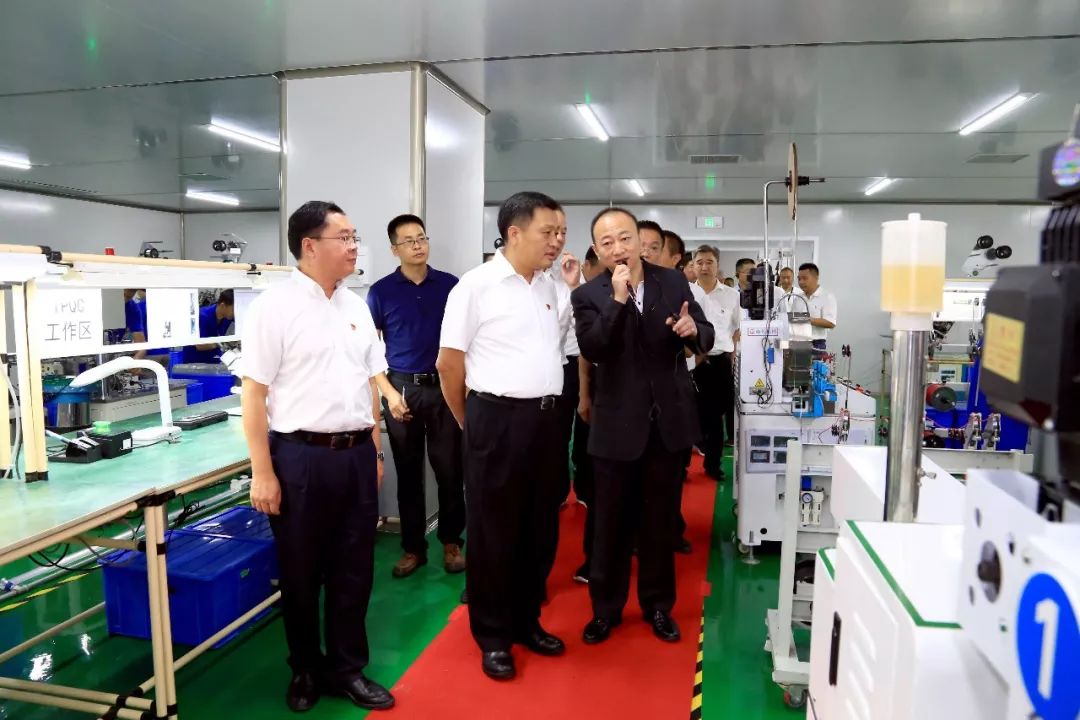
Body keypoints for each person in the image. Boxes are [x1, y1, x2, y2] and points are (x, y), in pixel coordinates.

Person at [241, 201, 397, 712]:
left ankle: (348, 669)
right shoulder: (274, 307)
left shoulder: (356, 306)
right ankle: (306, 669)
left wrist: (375, 448)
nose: (354, 247)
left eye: (354, 236)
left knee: (355, 568)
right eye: (344, 237)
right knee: (301, 572)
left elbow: (369, 383)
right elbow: (254, 395)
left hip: (355, 456)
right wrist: (262, 472)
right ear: (310, 246)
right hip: (299, 458)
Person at [437, 191, 575, 681]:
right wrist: (471, 421)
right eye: (548, 232)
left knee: (540, 527)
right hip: (495, 419)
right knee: (494, 531)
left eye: (561, 233)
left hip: (546, 421)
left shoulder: (550, 286)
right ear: (514, 233)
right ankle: (493, 635)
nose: (557, 242)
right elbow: (449, 365)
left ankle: (526, 620)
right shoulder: (475, 287)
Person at [572, 207, 714, 646]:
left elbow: (706, 333)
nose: (618, 248)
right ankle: (605, 610)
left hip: (667, 423)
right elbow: (594, 347)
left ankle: (657, 606)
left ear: (639, 241)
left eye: (625, 238)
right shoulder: (589, 294)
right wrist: (617, 300)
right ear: (597, 249)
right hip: (616, 426)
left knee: (659, 523)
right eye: (607, 242)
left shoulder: (672, 281)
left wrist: (692, 330)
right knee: (610, 525)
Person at [367, 214, 466, 580]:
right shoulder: (381, 292)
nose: (418, 245)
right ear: (395, 249)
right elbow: (369, 351)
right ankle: (413, 548)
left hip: (444, 389)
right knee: (408, 475)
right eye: (408, 240)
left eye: (421, 237)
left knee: (450, 470)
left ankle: (452, 542)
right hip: (401, 390)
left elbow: (465, 340)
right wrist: (388, 392)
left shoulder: (451, 286)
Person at [571, 246, 605, 584]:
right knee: (601, 483)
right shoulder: (589, 297)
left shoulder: (661, 291)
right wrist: (584, 394)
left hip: (646, 404)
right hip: (603, 395)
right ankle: (595, 561)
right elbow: (586, 352)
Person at [692, 246, 741, 479]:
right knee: (689, 414)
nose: (704, 266)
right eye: (699, 262)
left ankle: (712, 465)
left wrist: (731, 354)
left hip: (720, 361)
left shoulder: (732, 295)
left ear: (717, 265)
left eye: (709, 262)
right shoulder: (685, 292)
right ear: (693, 265)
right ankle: (681, 467)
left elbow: (738, 328)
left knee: (716, 416)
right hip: (692, 362)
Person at [181, 289, 235, 364]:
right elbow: (200, 345)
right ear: (223, 306)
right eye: (233, 309)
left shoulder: (227, 317)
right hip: (195, 362)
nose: (235, 312)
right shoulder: (202, 316)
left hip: (214, 359)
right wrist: (223, 343)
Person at [797, 262, 838, 350]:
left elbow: (831, 323)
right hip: (798, 342)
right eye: (799, 279)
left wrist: (807, 319)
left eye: (805, 278)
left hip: (816, 343)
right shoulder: (798, 297)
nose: (801, 282)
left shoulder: (827, 297)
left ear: (816, 278)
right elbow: (793, 318)